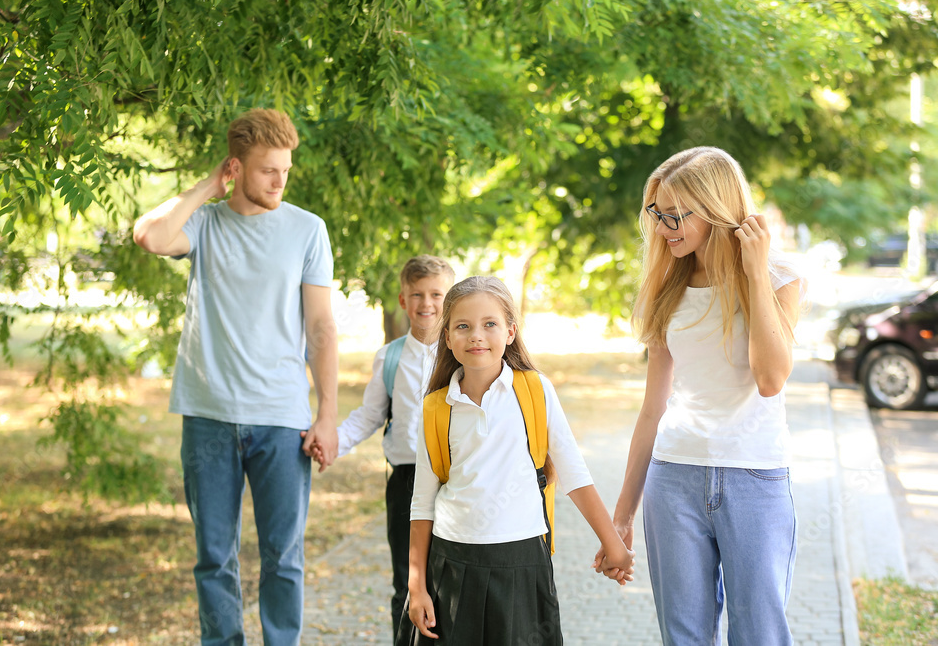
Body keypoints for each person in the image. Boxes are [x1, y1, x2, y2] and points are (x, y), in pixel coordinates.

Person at [132, 108, 339, 646]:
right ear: (237, 168)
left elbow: (320, 327)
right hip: (208, 416)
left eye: (285, 169)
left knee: (283, 558)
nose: (279, 180)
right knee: (214, 558)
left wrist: (328, 415)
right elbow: (151, 237)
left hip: (281, 419)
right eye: (268, 169)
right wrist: (208, 186)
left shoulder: (307, 229)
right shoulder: (203, 224)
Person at [612, 146, 804, 645]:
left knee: (759, 634)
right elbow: (653, 408)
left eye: (677, 216)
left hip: (754, 476)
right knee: (685, 637)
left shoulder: (779, 278)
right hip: (672, 476)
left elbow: (770, 379)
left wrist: (755, 272)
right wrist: (623, 513)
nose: (663, 228)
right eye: (657, 214)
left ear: (717, 210)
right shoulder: (666, 287)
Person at [399, 276, 635, 646]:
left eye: (489, 324)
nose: (476, 335)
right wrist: (417, 587)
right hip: (451, 563)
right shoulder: (435, 407)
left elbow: (574, 473)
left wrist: (614, 546)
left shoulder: (535, 390)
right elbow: (422, 502)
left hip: (522, 559)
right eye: (463, 326)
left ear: (510, 331)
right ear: (447, 337)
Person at [327, 255, 455, 638]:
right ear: (403, 300)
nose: (426, 304)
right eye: (417, 294)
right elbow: (370, 415)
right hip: (406, 482)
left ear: (449, 301)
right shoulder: (390, 357)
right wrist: (332, 443)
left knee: (449, 579)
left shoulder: (461, 355)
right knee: (408, 580)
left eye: (436, 294)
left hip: (454, 483)